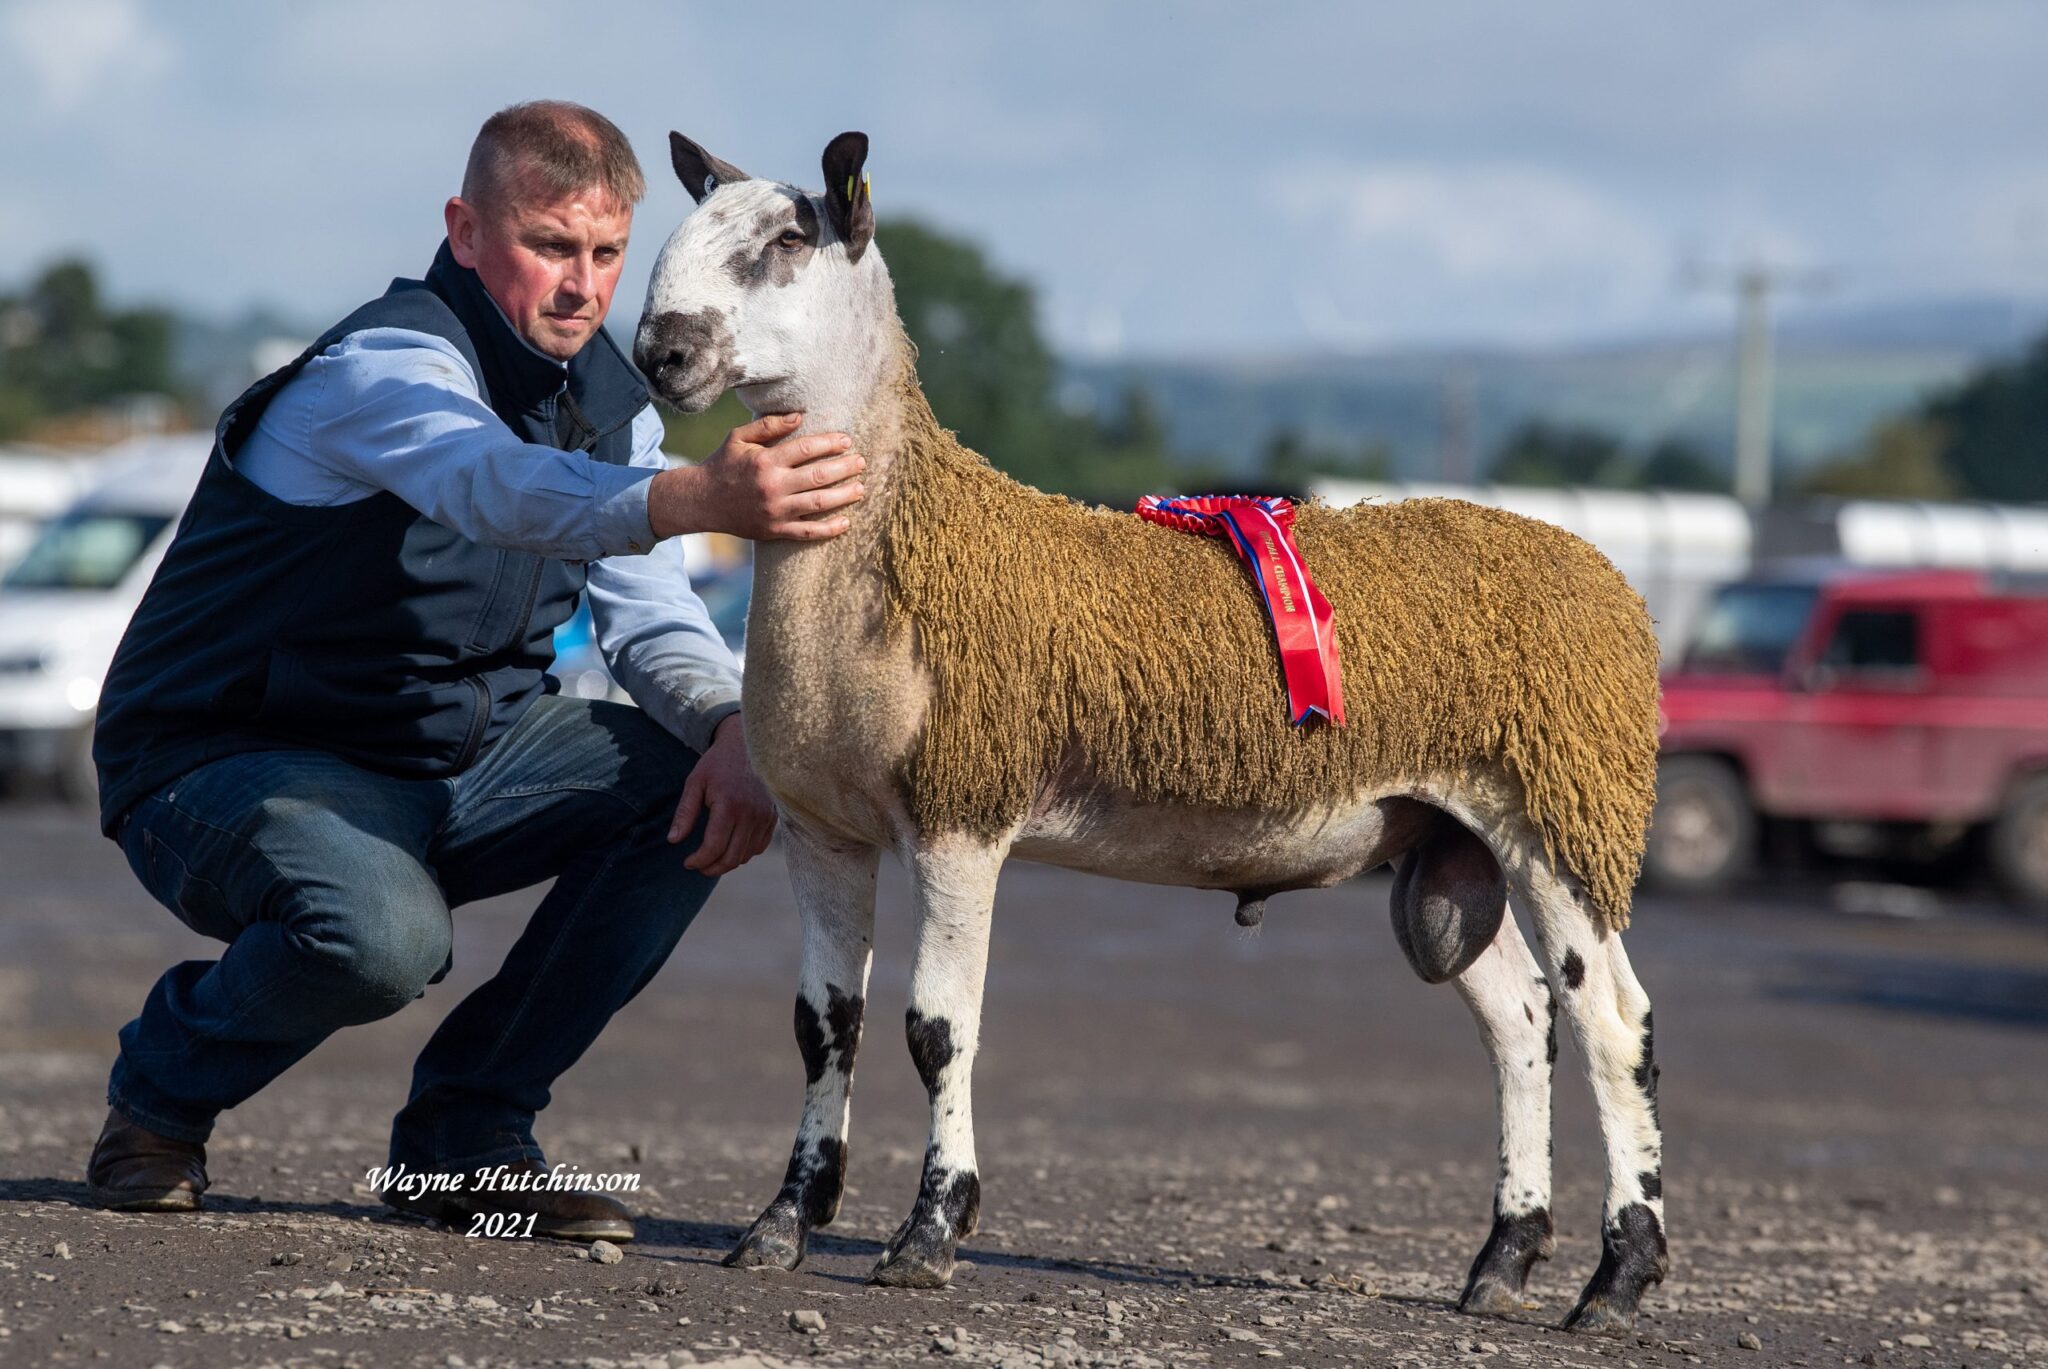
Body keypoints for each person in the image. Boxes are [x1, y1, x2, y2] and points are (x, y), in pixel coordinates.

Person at [82, 101, 864, 1243]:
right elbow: (485, 483)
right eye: (549, 245)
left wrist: (735, 730)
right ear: (463, 230)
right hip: (222, 762)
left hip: (449, 760)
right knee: (386, 939)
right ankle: (158, 1093)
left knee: (687, 783)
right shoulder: (384, 366)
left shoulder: (608, 409)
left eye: (605, 254)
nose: (581, 287)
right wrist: (693, 499)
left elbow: (651, 622)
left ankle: (464, 1143)